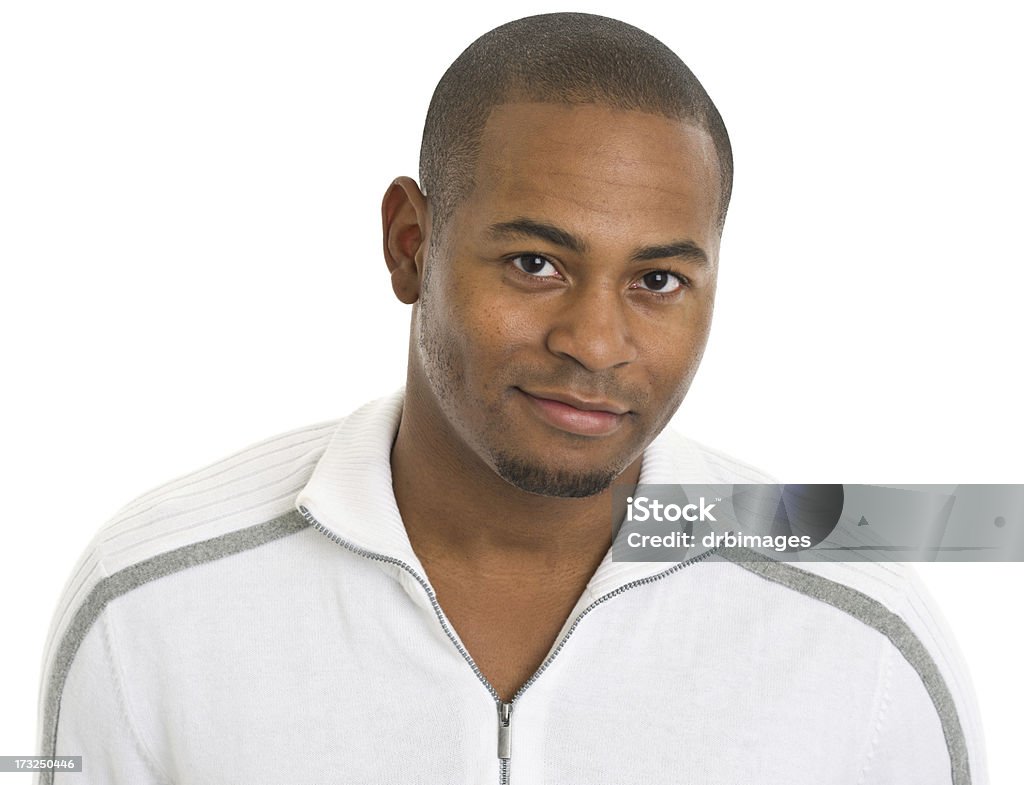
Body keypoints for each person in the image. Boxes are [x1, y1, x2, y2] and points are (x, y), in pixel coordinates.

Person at [35, 12, 986, 784]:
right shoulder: (151, 603)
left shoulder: (859, 630)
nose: (595, 343)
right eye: (535, 263)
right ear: (411, 243)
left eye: (657, 281)